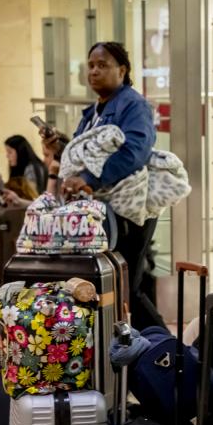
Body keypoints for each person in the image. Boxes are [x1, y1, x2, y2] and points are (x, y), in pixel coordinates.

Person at [44, 41, 164, 330]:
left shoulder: (133, 105)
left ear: (122, 70)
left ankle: (166, 349)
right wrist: (59, 148)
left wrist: (89, 179)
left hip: (127, 210)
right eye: (91, 66)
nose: (94, 71)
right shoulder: (93, 112)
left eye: (102, 65)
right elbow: (82, 156)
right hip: (101, 210)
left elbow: (135, 152)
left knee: (127, 287)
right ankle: (125, 346)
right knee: (112, 285)